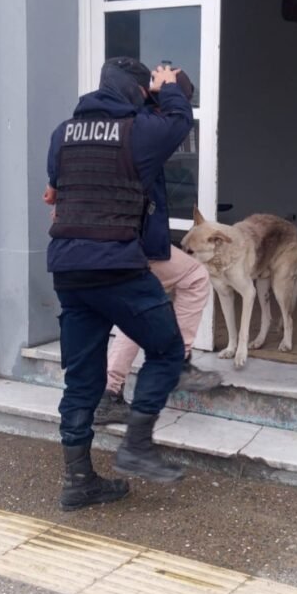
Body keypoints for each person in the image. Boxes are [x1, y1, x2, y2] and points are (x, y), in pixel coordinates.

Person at [45, 57, 192, 511]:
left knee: (81, 378)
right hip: (117, 267)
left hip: (69, 271)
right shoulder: (138, 133)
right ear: (136, 91)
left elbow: (55, 188)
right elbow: (180, 121)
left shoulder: (62, 133)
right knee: (168, 352)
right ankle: (137, 445)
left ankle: (78, 480)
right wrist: (168, 87)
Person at [94, 71, 222, 426]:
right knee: (196, 275)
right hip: (129, 245)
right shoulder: (146, 127)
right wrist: (167, 87)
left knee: (138, 312)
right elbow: (179, 121)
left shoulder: (115, 124)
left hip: (110, 244)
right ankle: (176, 364)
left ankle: (109, 393)